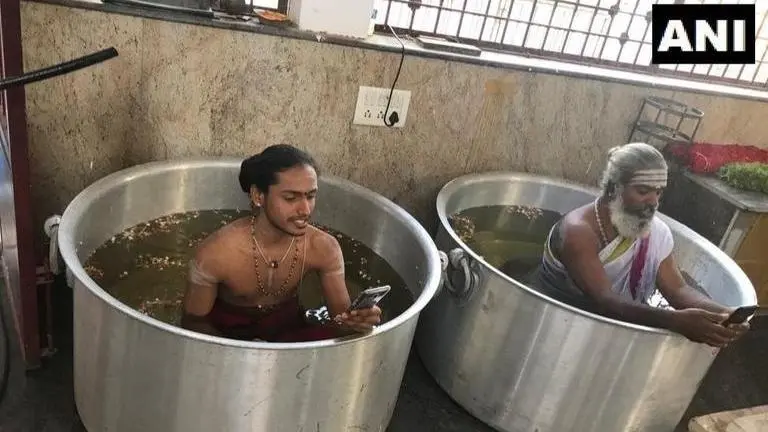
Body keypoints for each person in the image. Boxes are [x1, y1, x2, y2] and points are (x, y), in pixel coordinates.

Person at [537, 142, 749, 348]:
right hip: (556, 327)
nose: (653, 202)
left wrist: (723, 313)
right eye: (643, 191)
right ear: (613, 188)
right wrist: (675, 321)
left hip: (618, 333)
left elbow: (678, 289)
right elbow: (605, 300)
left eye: (658, 192)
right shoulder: (578, 232)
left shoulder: (656, 232)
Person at [180, 144, 382, 342]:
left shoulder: (323, 248)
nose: (305, 210)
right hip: (228, 333)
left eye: (310, 196)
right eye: (290, 198)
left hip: (289, 331)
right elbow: (193, 323)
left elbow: (341, 322)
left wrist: (359, 321)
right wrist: (241, 351)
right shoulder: (217, 252)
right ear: (258, 196)